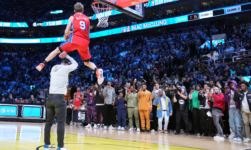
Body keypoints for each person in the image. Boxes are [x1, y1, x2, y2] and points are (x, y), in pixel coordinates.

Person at [36, 2, 104, 85]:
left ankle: (42, 64)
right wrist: (72, 33)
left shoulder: (72, 17)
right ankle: (97, 70)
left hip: (75, 41)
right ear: (83, 10)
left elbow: (66, 31)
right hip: (85, 42)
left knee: (57, 50)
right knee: (87, 62)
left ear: (74, 11)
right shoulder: (87, 18)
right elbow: (86, 32)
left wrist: (66, 36)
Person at [44, 54, 78, 150]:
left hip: (50, 97)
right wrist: (68, 55)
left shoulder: (53, 69)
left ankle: (46, 145)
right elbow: (76, 64)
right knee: (61, 123)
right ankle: (60, 146)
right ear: (67, 64)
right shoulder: (65, 69)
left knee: (48, 123)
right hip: (59, 97)